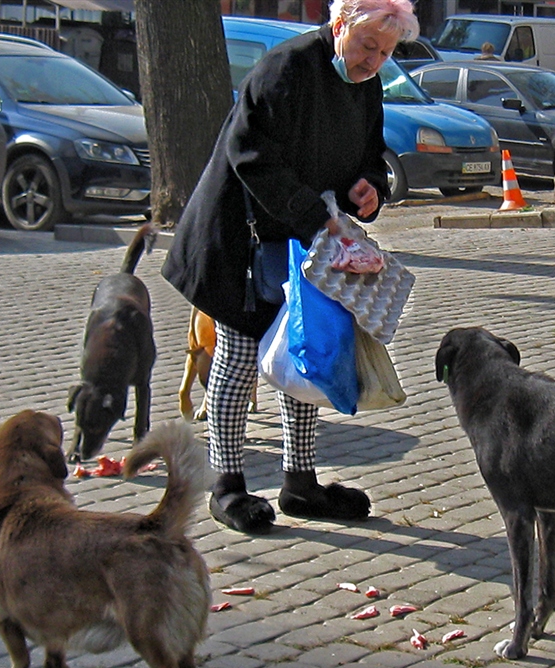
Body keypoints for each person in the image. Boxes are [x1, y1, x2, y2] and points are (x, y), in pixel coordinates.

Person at [162, 0, 419, 534]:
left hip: (305, 238)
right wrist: (312, 217)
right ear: (340, 25)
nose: (374, 62)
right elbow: (249, 153)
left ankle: (300, 481)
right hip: (241, 237)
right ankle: (225, 484)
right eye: (368, 46)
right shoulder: (287, 67)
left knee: (306, 355)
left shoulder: (365, 83)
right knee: (236, 357)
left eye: (386, 54)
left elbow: (366, 153)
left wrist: (367, 186)